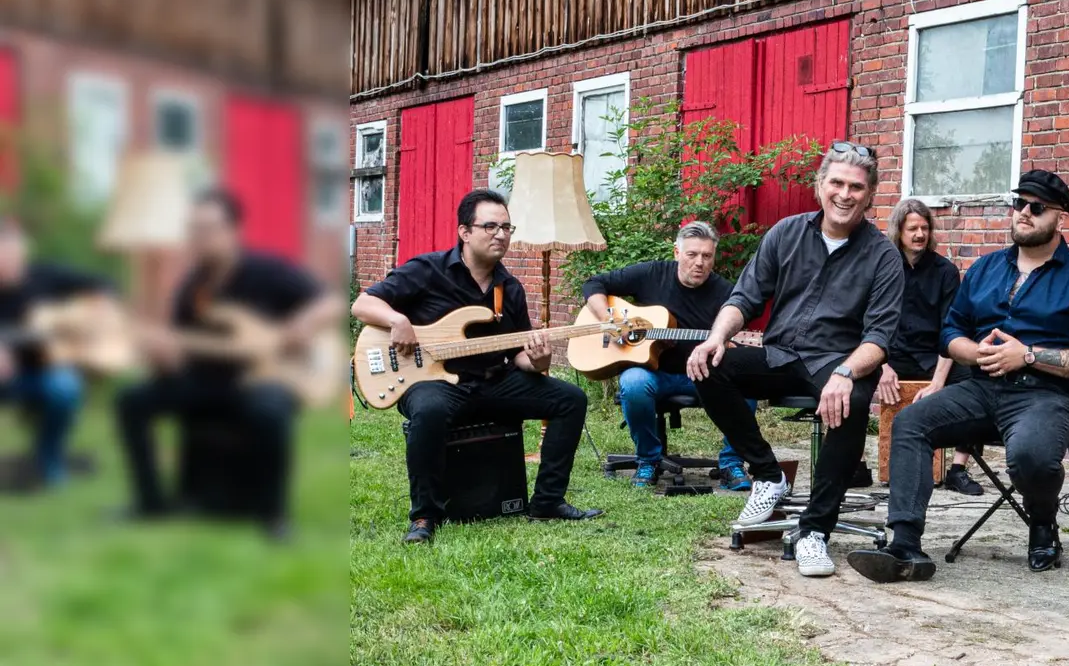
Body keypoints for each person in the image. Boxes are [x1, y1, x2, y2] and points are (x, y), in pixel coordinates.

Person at [847, 170, 1069, 582]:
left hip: (1049, 397)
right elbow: (950, 333)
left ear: (1060, 216)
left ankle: (1042, 523)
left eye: (1037, 207)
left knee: (1030, 455)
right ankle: (904, 544)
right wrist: (972, 352)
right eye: (1018, 204)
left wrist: (1026, 356)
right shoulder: (986, 269)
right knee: (910, 423)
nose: (1024, 213)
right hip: (981, 388)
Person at [687, 141, 903, 578]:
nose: (845, 194)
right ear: (819, 186)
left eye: (856, 187)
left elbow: (879, 338)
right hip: (780, 354)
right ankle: (768, 475)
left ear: (870, 194)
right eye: (837, 183)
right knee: (708, 365)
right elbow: (744, 297)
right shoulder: (785, 233)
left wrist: (845, 372)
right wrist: (715, 337)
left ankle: (815, 532)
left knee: (854, 401)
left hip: (838, 361)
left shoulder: (883, 256)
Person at [352, 188, 600, 544]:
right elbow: (362, 304)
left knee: (570, 399)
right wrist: (396, 321)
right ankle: (424, 516)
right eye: (490, 226)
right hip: (430, 381)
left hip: (492, 381)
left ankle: (548, 501)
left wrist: (539, 359)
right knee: (430, 409)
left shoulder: (509, 288)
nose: (501, 235)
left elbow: (518, 353)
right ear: (465, 232)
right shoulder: (428, 270)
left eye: (507, 228)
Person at [115, 190, 342, 535]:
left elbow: (330, 303)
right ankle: (151, 503)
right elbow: (182, 354)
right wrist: (164, 357)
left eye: (208, 229)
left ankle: (274, 516)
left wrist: (300, 328)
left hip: (270, 378)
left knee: (269, 409)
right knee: (132, 401)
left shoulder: (266, 270)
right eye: (193, 230)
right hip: (210, 382)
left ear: (233, 230)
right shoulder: (192, 288)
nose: (199, 239)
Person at [580, 221, 754, 491]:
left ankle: (731, 464)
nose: (700, 263)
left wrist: (726, 345)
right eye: (692, 255)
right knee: (633, 383)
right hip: (653, 372)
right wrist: (608, 320)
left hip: (702, 375)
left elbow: (738, 328)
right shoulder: (651, 274)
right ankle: (648, 460)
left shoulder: (726, 292)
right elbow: (593, 283)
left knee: (747, 383)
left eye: (707, 256)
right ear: (676, 253)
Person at [874, 198, 983, 496]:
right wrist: (881, 366)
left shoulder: (945, 271)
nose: (920, 234)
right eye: (913, 228)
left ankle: (958, 469)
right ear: (899, 230)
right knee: (847, 378)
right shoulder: (882, 266)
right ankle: (853, 466)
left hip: (933, 355)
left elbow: (952, 330)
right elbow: (866, 321)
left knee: (979, 380)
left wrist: (938, 381)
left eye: (925, 228)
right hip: (888, 356)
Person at [0, 215, 113, 488]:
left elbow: (106, 284)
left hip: (45, 374)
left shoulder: (47, 276)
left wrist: (96, 314)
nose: (10, 261)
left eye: (14, 252)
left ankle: (49, 456)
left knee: (65, 387)